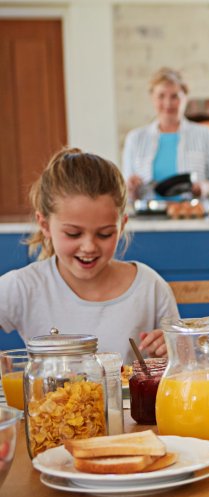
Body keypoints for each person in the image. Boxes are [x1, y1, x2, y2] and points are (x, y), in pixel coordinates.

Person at [0, 148, 178, 362]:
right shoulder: (24, 286)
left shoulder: (150, 288)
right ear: (45, 225)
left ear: (122, 226)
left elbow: (184, 367)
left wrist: (173, 352)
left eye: (104, 234)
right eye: (73, 234)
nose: (89, 247)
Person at [121, 67, 209, 199]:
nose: (168, 103)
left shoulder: (205, 135)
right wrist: (131, 188)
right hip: (148, 217)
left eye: (174, 96)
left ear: (185, 98)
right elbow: (125, 192)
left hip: (193, 215)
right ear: (152, 98)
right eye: (161, 96)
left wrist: (204, 188)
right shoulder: (135, 138)